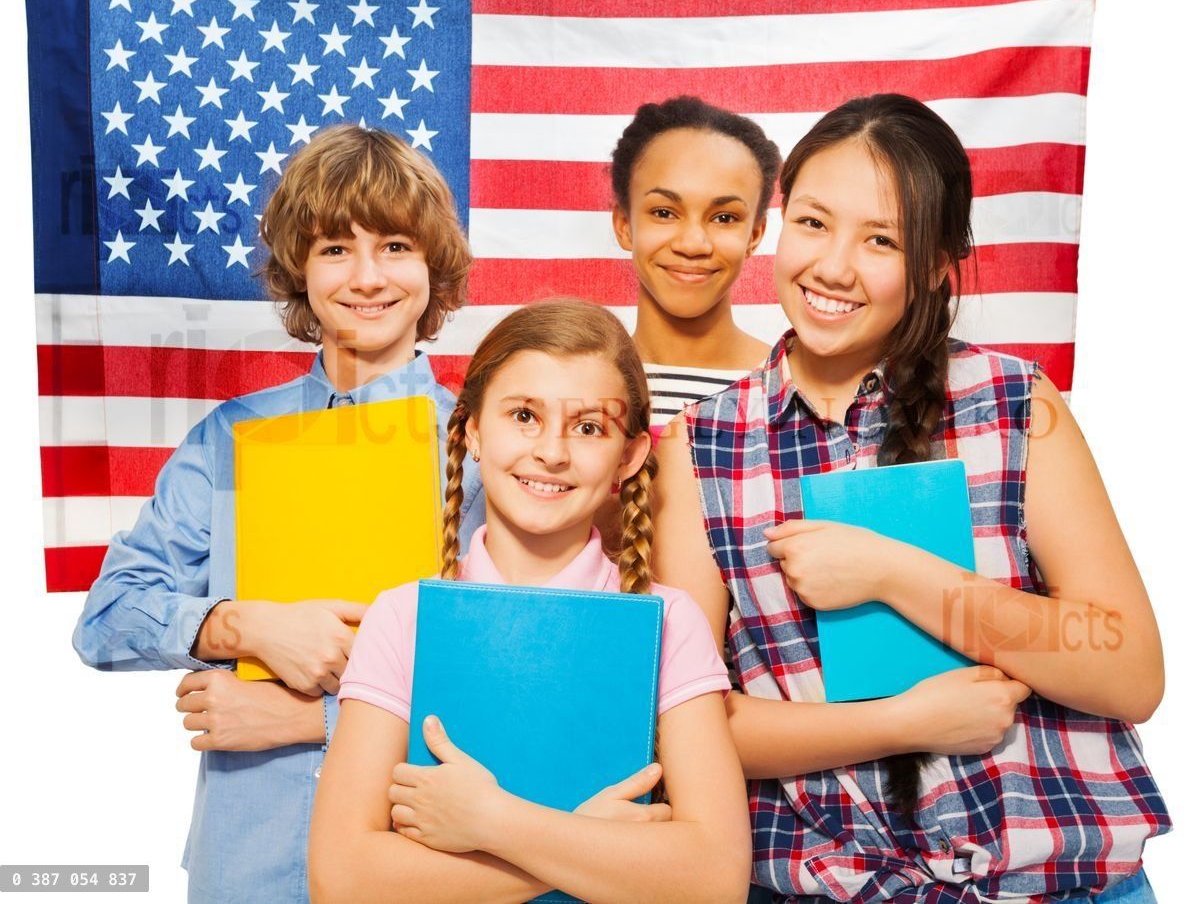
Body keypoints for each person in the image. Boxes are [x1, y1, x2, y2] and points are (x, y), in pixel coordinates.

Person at [652, 94, 1171, 903]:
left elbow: (1131, 671)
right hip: (827, 885)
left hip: (1059, 884)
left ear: (934, 263)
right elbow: (686, 724)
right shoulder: (701, 447)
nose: (833, 266)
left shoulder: (1013, 403)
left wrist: (898, 574)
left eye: (882, 240)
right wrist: (904, 723)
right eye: (814, 223)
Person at [72, 124, 484, 904]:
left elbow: (505, 666)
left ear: (435, 266)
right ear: (300, 267)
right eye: (335, 248)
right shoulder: (230, 438)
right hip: (246, 859)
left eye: (395, 245)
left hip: (418, 860)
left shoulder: (487, 442)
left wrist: (312, 718)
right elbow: (105, 620)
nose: (367, 276)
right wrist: (242, 627)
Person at [309, 299, 751, 904]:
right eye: (523, 415)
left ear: (629, 457)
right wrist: (585, 847)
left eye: (589, 427)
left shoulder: (669, 623)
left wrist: (494, 821)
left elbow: (714, 877)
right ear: (471, 432)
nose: (552, 451)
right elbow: (342, 877)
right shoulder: (405, 617)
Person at [610, 96, 782, 440]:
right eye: (664, 212)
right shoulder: (577, 381)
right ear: (624, 225)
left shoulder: (792, 389)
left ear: (755, 235)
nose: (692, 244)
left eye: (724, 218)